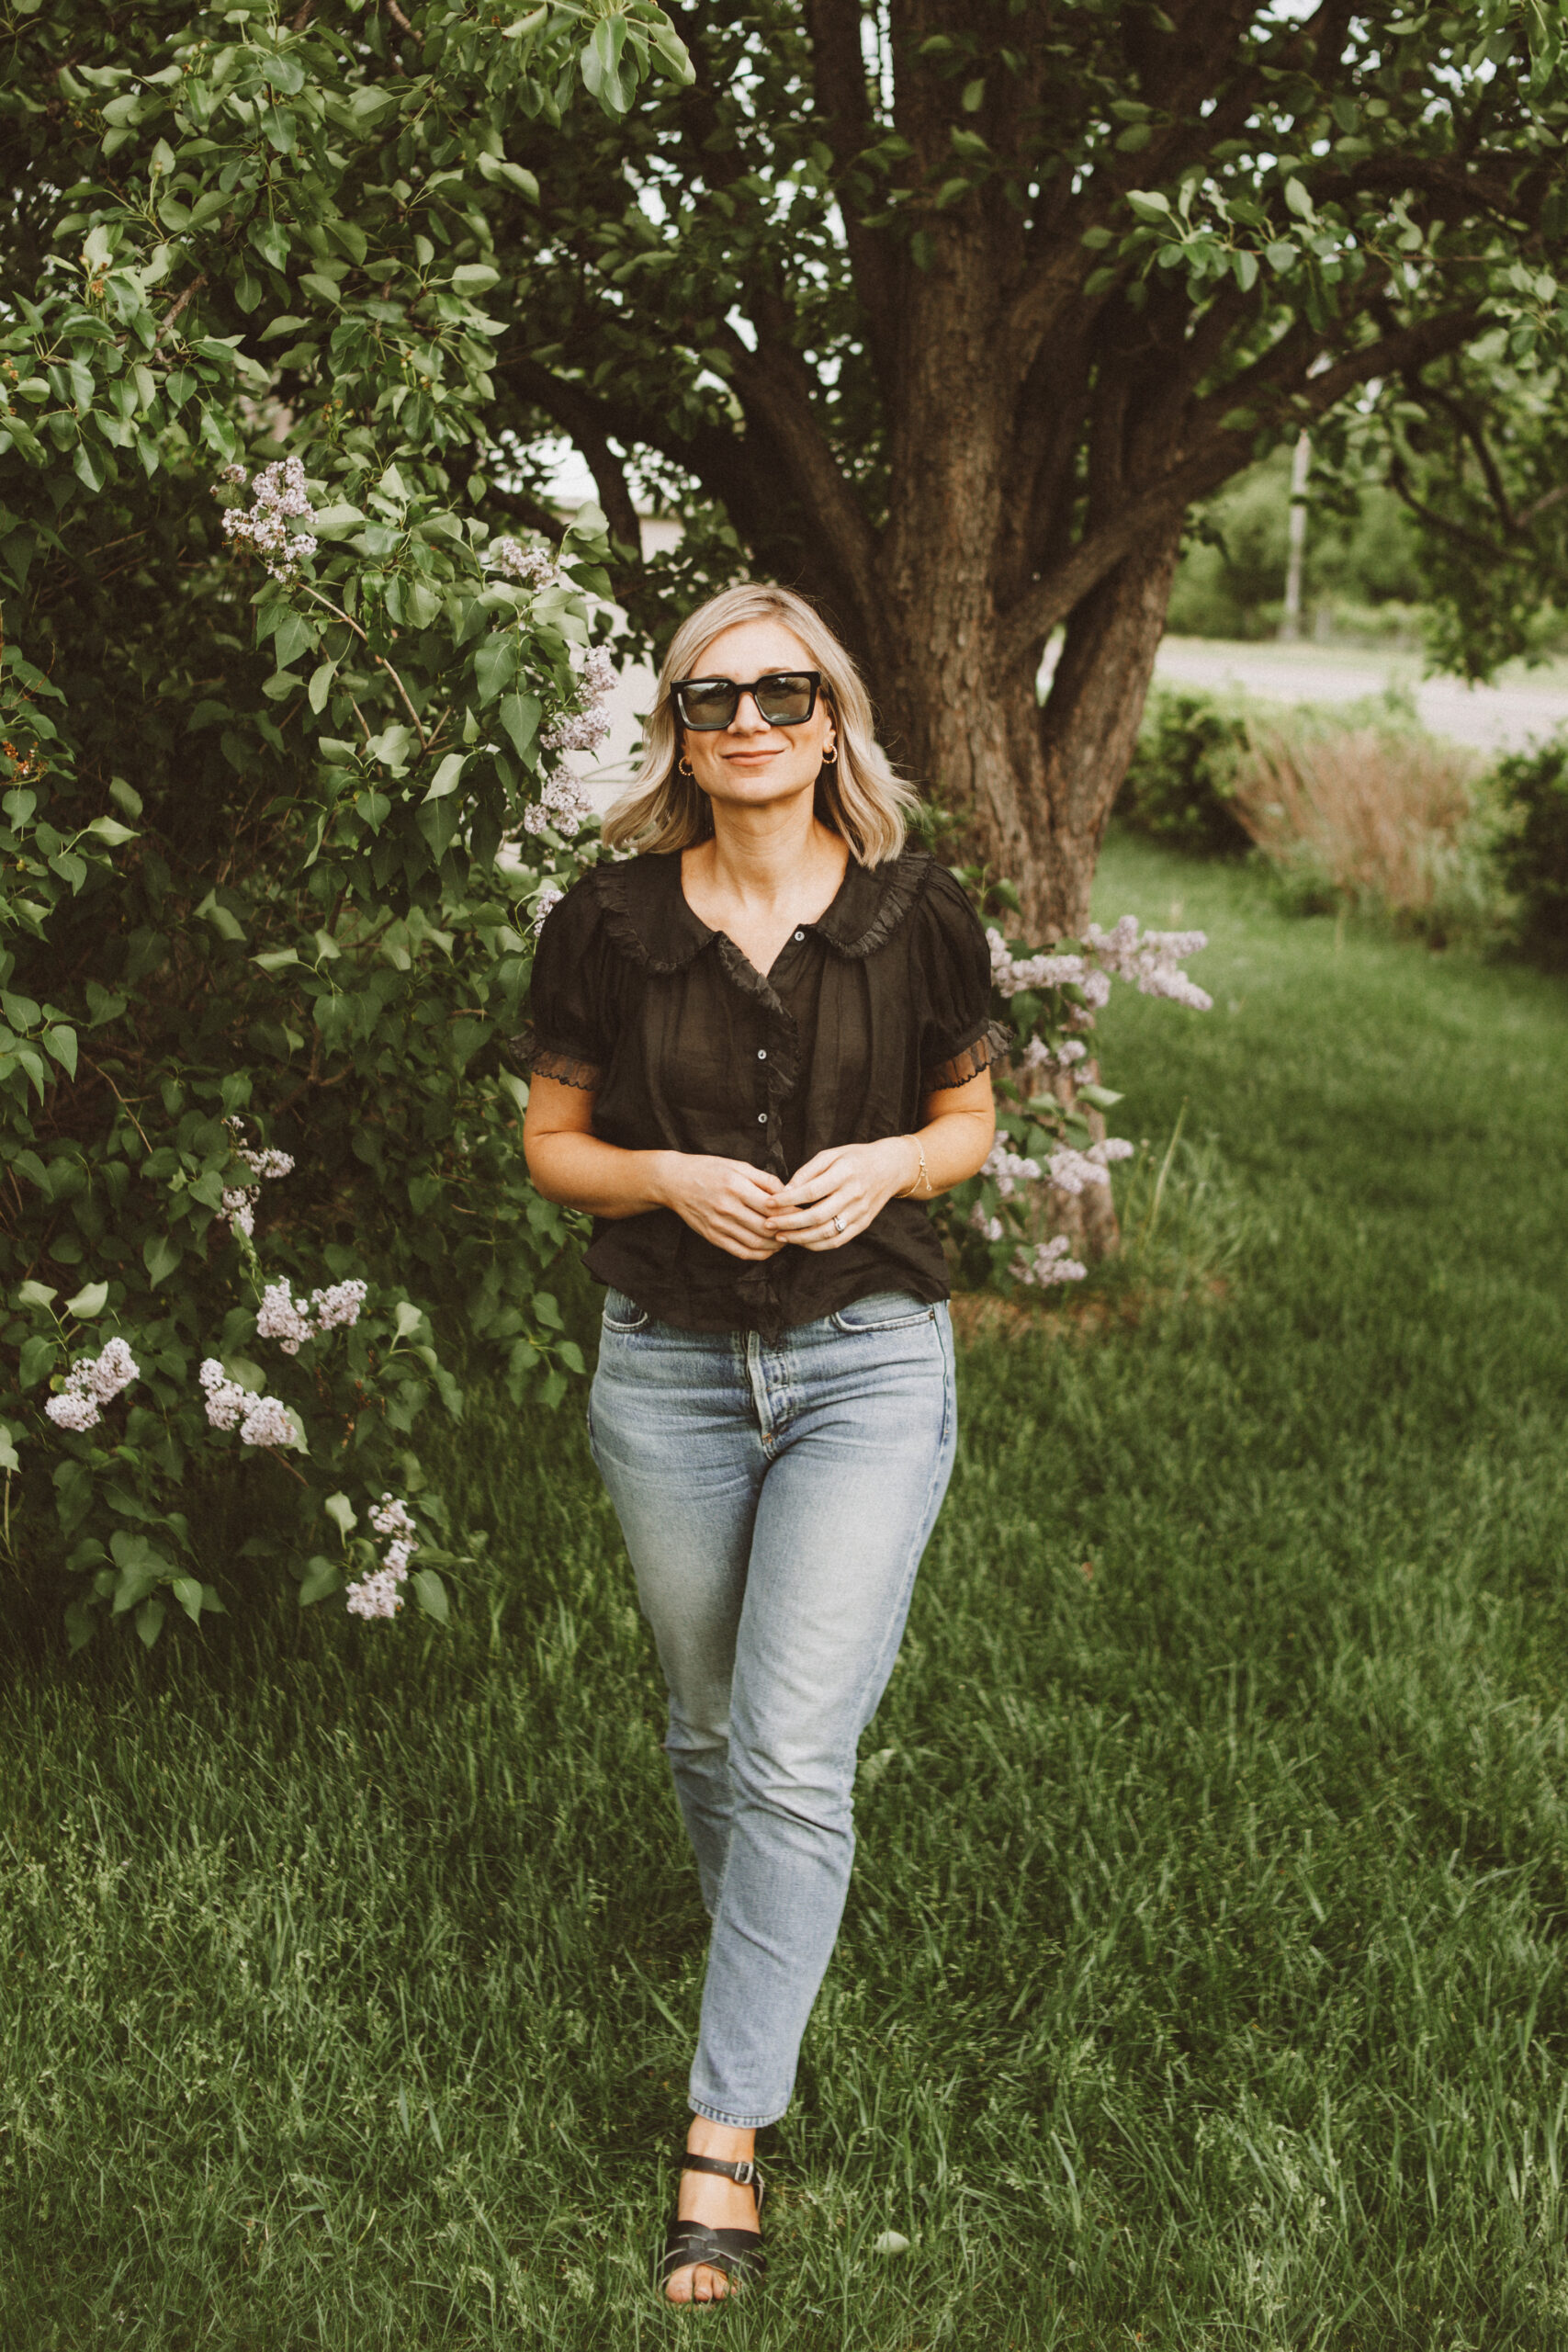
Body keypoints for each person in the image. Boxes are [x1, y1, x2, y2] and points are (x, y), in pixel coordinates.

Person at [523, 582, 1001, 2303]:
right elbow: (553, 1143)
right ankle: (770, 1954)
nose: (747, 721)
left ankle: (722, 2131)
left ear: (830, 715)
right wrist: (665, 1175)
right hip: (665, 1366)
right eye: (710, 697)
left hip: (870, 1356)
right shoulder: (605, 918)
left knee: (794, 1753)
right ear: (677, 728)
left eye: (780, 692)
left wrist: (890, 1166)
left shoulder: (915, 912)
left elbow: (970, 1116)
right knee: (713, 1728)